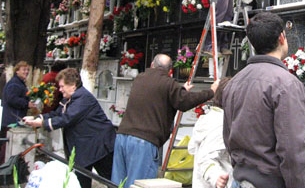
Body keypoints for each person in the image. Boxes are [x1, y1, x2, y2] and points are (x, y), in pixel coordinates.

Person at [222, 12, 305, 188]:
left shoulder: (234, 81)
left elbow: (228, 136)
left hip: (240, 180)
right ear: (281, 38)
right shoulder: (286, 84)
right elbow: (292, 149)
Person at [111, 54, 219, 188]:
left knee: (118, 184)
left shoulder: (140, 78)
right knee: (139, 185)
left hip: (122, 137)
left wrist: (181, 90)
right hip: (144, 142)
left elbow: (157, 95)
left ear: (152, 65)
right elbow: (184, 102)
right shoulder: (168, 83)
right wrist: (211, 91)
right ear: (170, 71)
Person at [24, 68, 116, 188]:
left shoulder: (83, 98)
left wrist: (41, 123)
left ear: (72, 85)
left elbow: (67, 118)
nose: (60, 89)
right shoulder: (70, 98)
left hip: (100, 147)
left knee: (110, 180)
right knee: (81, 180)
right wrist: (36, 117)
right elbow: (57, 113)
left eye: (62, 86)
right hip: (84, 148)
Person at [188, 77, 232, 188]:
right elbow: (206, 159)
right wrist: (216, 177)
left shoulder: (208, 118)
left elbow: (192, 148)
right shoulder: (221, 124)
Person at [1, 61, 36, 164]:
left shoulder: (18, 82)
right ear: (17, 71)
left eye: (28, 70)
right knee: (6, 147)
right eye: (24, 70)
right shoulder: (15, 84)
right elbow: (11, 99)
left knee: (5, 147)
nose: (26, 72)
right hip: (12, 118)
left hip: (12, 117)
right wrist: (26, 104)